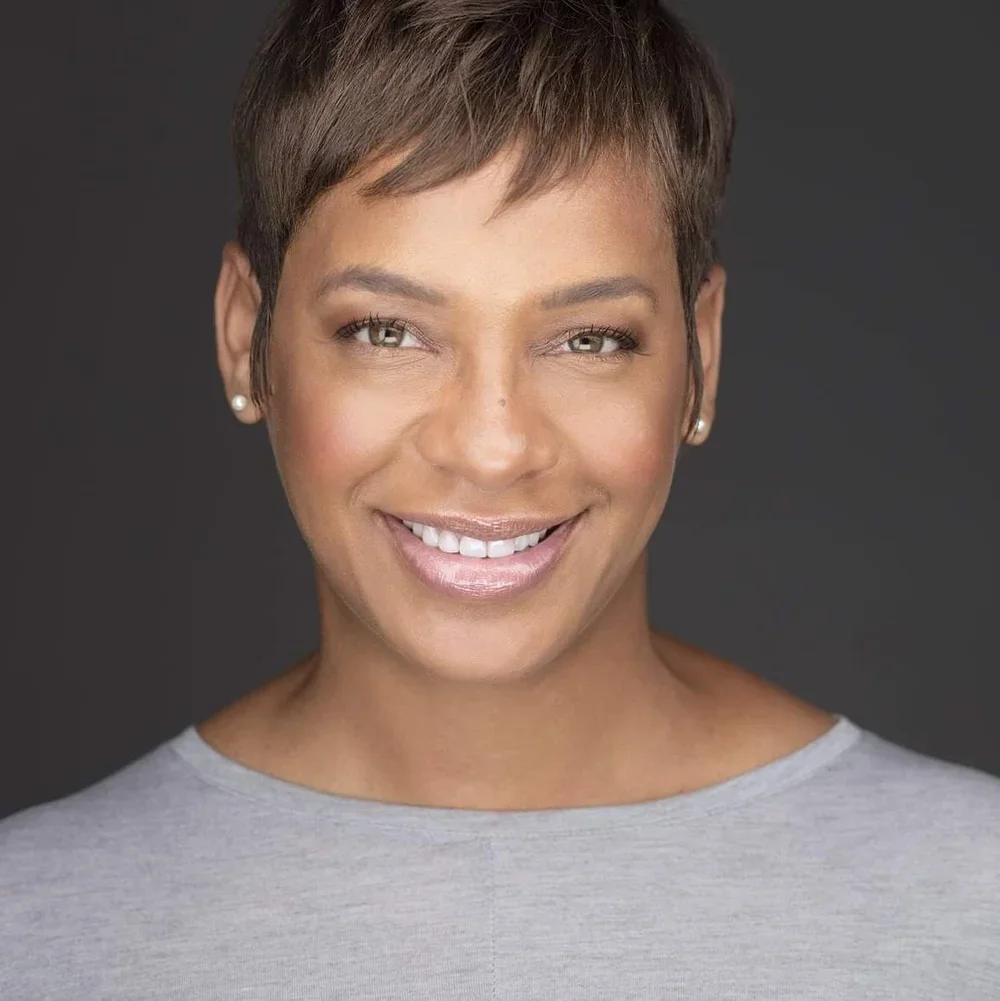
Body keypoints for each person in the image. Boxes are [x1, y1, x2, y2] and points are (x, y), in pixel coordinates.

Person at [2, 0, 998, 996]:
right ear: (243, 339)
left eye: (589, 339)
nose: (492, 448)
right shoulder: (35, 927)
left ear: (701, 356)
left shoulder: (968, 898)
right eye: (387, 331)